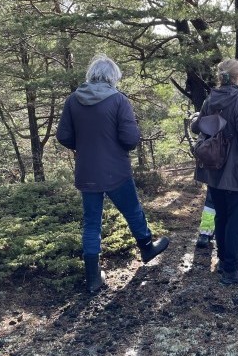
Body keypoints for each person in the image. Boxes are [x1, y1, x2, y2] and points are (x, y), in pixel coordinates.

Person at [56, 54, 170, 294]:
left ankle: (93, 278)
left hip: (87, 170)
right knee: (132, 211)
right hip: (116, 170)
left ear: (91, 74)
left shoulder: (73, 101)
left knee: (91, 223)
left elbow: (63, 136)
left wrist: (84, 146)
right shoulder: (118, 100)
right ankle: (147, 248)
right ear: (112, 77)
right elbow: (129, 139)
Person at [191, 59, 238, 285]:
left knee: (221, 216)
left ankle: (222, 261)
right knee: (235, 219)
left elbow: (197, 126)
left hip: (214, 168)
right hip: (237, 170)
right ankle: (231, 269)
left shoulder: (211, 98)